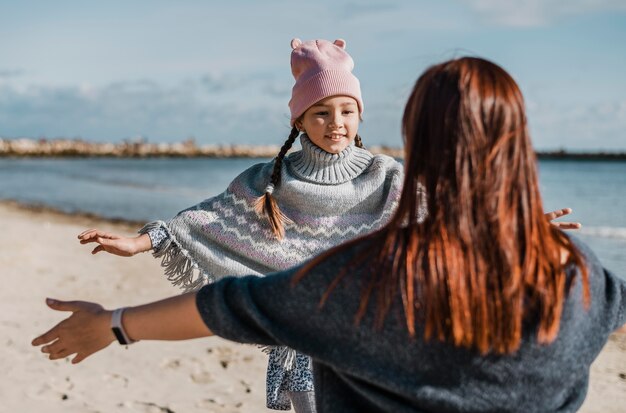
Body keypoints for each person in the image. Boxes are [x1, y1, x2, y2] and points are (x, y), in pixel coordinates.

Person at [40, 55, 604, 412]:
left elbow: (241, 306)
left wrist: (117, 325)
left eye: (347, 111)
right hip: (324, 324)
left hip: (351, 325)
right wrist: (146, 240)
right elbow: (209, 220)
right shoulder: (589, 284)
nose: (337, 123)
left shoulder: (382, 198)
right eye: (321, 113)